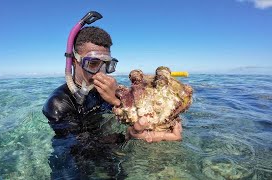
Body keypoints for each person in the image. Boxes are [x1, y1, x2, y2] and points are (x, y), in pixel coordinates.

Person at [42, 26, 182, 143]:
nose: (101, 72)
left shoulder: (108, 91)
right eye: (93, 63)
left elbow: (136, 118)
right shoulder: (59, 103)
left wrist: (116, 100)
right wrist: (127, 136)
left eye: (107, 64)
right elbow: (76, 148)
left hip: (109, 147)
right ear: (74, 61)